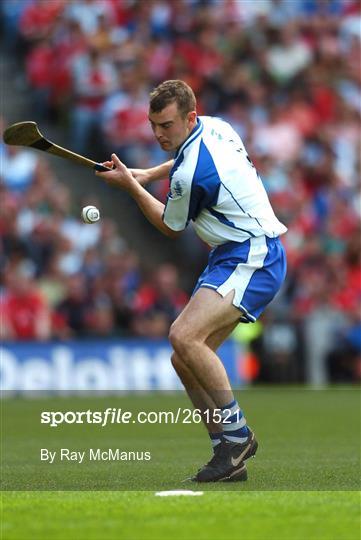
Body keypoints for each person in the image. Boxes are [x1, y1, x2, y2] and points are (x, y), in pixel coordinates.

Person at [96, 80, 287, 483]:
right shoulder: (216, 126)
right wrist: (149, 171)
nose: (159, 134)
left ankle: (238, 438)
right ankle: (225, 455)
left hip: (253, 254)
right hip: (230, 254)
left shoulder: (191, 173)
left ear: (190, 117)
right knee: (183, 356)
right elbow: (185, 157)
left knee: (183, 335)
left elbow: (169, 225)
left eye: (166, 125)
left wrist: (131, 185)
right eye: (153, 125)